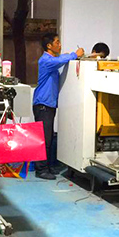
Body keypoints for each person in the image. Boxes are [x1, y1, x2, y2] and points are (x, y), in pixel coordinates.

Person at [32, 33, 84, 180]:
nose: (60, 45)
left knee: (48, 137)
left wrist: (69, 56)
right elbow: (60, 60)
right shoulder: (46, 60)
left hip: (48, 104)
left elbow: (60, 59)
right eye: (57, 42)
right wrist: (74, 54)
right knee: (44, 138)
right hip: (43, 104)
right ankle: (41, 170)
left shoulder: (52, 60)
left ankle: (46, 167)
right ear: (49, 46)